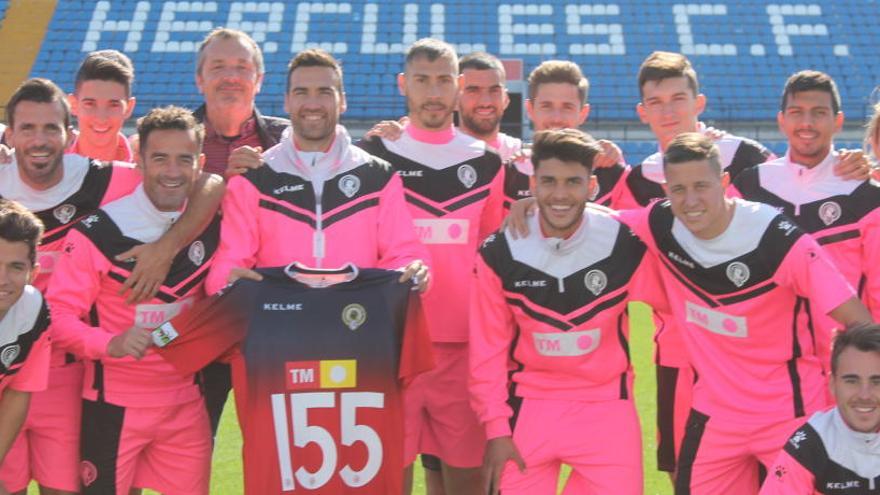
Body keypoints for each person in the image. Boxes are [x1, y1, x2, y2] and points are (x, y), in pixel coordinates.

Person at [0, 78, 223, 495]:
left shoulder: (109, 180)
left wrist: (167, 246)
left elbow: (207, 182)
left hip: (67, 373)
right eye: (27, 128)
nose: (39, 139)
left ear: (69, 135)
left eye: (51, 128)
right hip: (8, 368)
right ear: (8, 134)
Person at [619, 133, 873, 495]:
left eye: (701, 186)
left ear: (724, 183)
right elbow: (594, 222)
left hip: (787, 412)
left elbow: (857, 319)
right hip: (715, 415)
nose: (690, 201)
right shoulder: (661, 224)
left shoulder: (775, 237)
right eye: (678, 189)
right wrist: (533, 207)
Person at [471, 128, 667, 494]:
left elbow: (677, 299)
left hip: (607, 409)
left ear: (591, 185)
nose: (560, 194)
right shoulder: (500, 250)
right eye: (548, 181)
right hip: (527, 409)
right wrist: (496, 429)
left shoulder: (623, 240)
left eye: (572, 182)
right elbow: (487, 351)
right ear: (532, 183)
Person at [358, 38, 505, 495]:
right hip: (392, 344)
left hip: (463, 348)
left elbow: (492, 255)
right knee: (387, 479)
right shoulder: (373, 156)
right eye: (422, 80)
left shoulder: (486, 162)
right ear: (404, 85)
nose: (434, 91)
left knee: (468, 481)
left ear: (459, 86)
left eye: (444, 80)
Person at [730, 71, 880, 368]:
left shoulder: (866, 193)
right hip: (770, 367)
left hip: (843, 367)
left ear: (838, 121)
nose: (807, 123)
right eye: (797, 113)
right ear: (781, 120)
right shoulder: (749, 187)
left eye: (819, 113)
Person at [759, 324, 880, 494]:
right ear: (832, 385)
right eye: (852, 381)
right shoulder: (810, 443)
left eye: (877, 381)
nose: (865, 395)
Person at [0, 200, 51, 495]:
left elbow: (18, 393)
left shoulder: (33, 310)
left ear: (33, 272)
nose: (3, 279)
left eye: (16, 267)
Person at [193, 27, 290, 178]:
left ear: (258, 80)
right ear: (200, 80)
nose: (231, 77)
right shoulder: (167, 138)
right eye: (218, 67)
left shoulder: (287, 139)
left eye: (242, 67)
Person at [67, 50, 137, 162]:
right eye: (90, 104)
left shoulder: (145, 174)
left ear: (129, 108)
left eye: (113, 105)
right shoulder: (50, 170)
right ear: (73, 105)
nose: (101, 118)